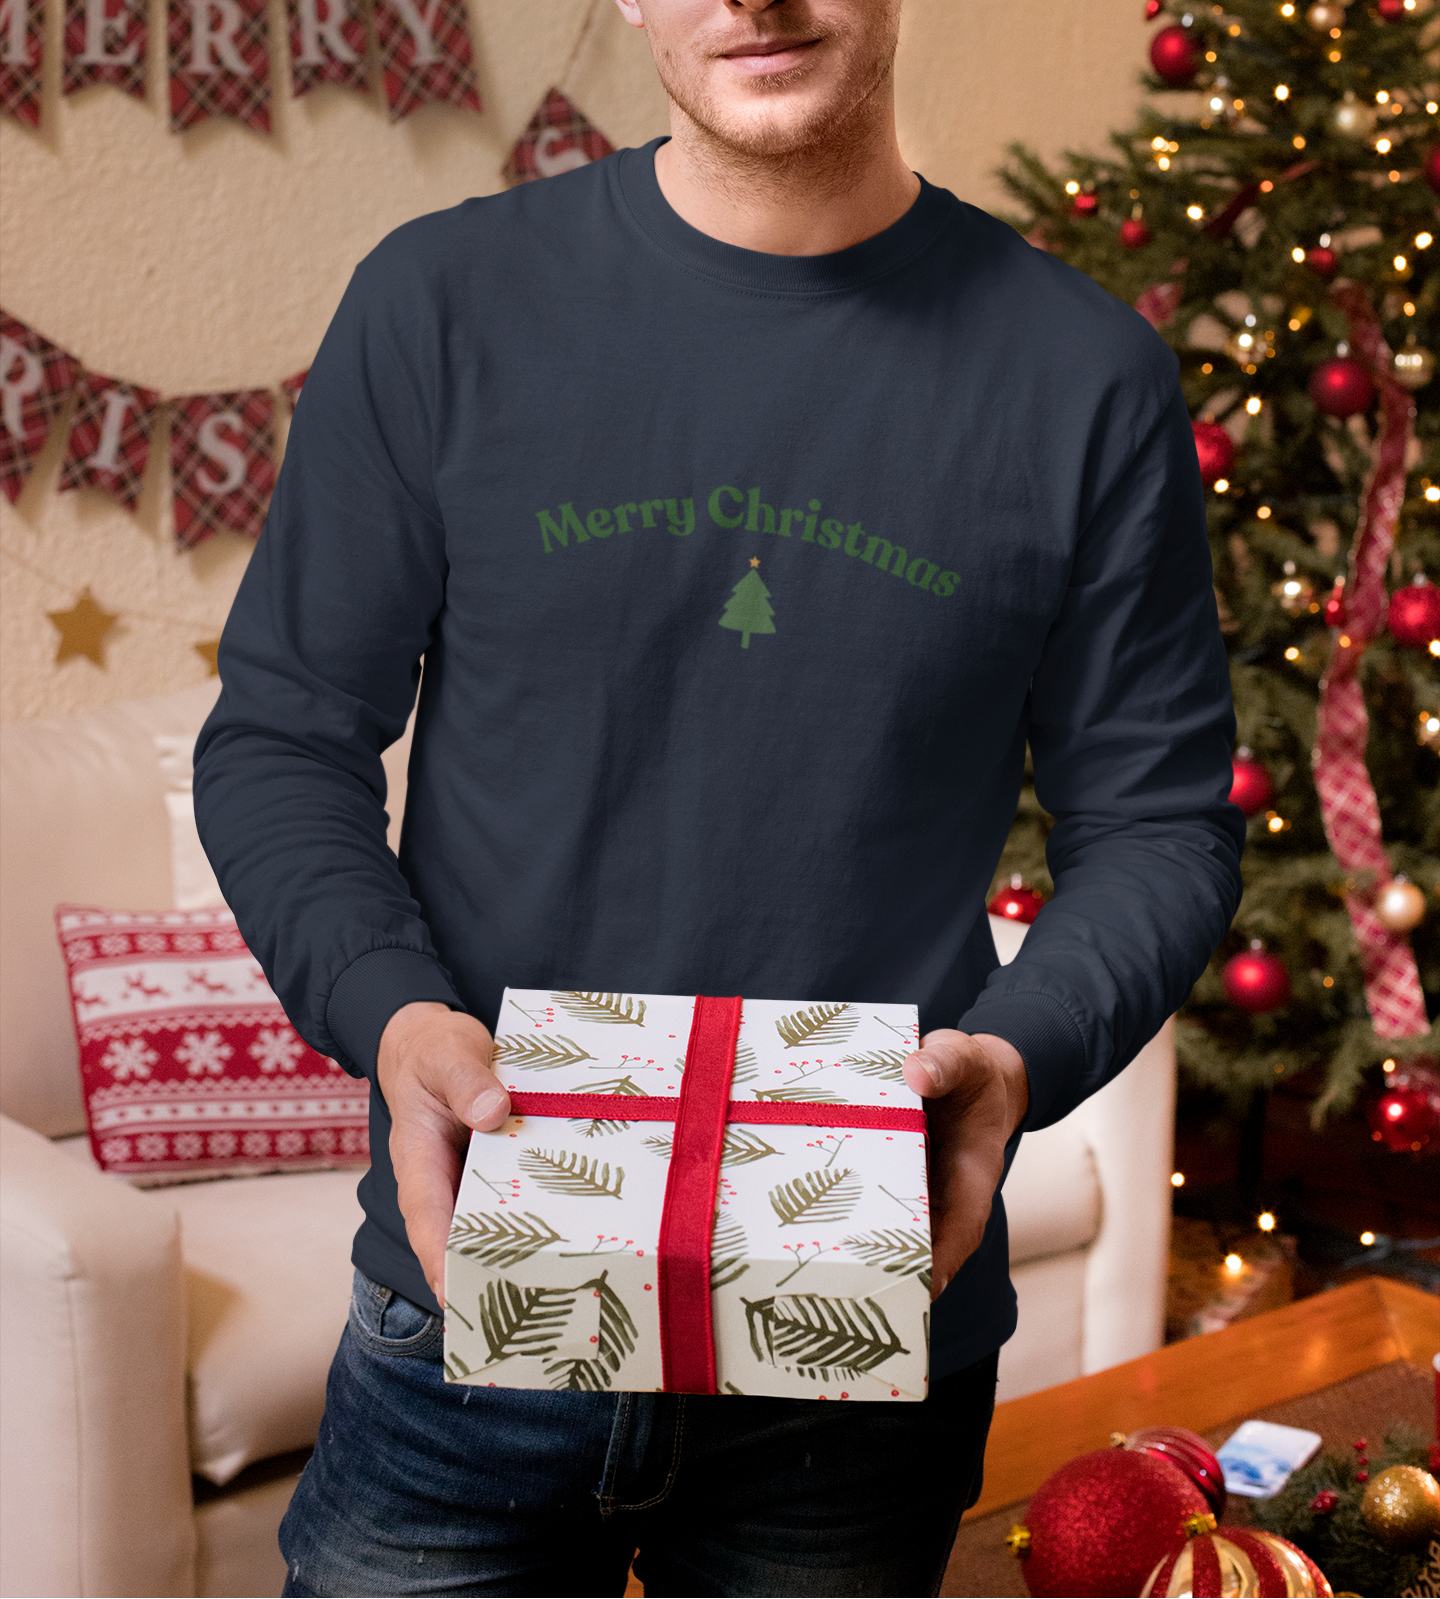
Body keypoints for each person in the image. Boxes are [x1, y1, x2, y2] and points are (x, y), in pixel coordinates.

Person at [193, 0, 1244, 1593]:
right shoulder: (440, 304)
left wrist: (1019, 1059)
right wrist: (395, 1018)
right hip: (468, 1297)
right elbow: (281, 737)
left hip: (863, 1332)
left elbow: (1160, 825)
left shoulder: (1084, 376)